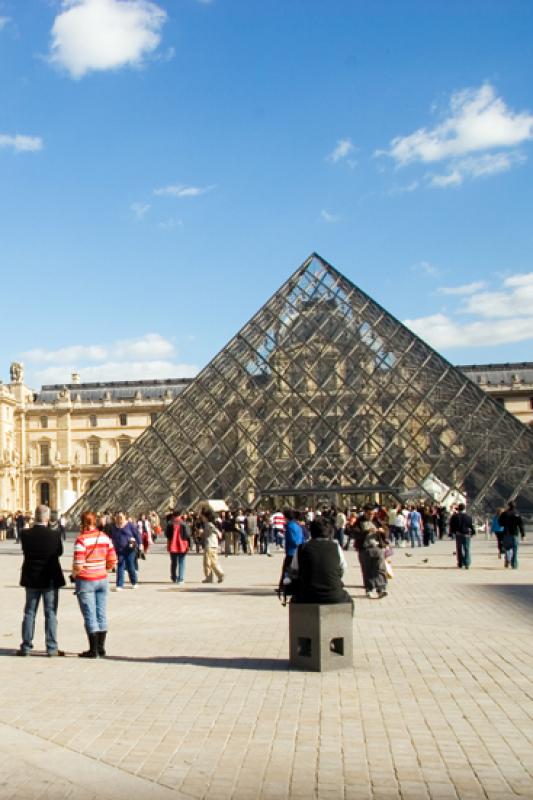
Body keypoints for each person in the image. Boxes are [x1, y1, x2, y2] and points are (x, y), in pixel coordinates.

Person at [17, 504, 66, 657]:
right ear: (47, 517)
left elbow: (25, 551)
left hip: (31, 578)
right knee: (50, 613)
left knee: (29, 613)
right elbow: (59, 552)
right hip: (50, 578)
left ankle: (25, 647)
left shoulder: (25, 534)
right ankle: (51, 648)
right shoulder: (55, 534)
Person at [72, 510, 117, 658]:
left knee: (90, 615)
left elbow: (78, 565)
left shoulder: (81, 540)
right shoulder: (105, 537)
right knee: (101, 613)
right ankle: (101, 648)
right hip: (102, 579)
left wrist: (73, 575)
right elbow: (113, 560)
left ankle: (93, 650)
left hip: (86, 581)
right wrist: (104, 569)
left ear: (83, 522)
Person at [290, 517, 352, 606]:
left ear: (311, 531)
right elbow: (343, 568)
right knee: (349, 601)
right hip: (333, 595)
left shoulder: (301, 548)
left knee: (294, 600)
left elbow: (294, 570)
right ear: (330, 532)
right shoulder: (335, 547)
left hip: (306, 595)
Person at [353, 504, 389, 599]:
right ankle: (369, 589)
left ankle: (381, 589)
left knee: (380, 569)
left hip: (377, 547)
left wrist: (383, 531)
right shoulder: (359, 522)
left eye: (373, 513)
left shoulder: (377, 520)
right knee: (367, 570)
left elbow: (386, 529)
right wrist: (366, 531)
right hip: (365, 549)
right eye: (369, 514)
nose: (371, 515)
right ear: (364, 512)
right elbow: (354, 533)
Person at [278, 509, 305, 598]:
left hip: (291, 551)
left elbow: (293, 539)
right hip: (297, 549)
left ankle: (285, 586)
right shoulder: (297, 525)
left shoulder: (290, 526)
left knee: (287, 569)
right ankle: (284, 586)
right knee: (291, 569)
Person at [110, 511, 141, 590]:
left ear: (124, 517)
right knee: (120, 566)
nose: (119, 518)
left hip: (130, 549)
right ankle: (119, 585)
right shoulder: (113, 526)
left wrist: (140, 544)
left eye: (120, 517)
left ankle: (134, 582)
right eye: (117, 517)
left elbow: (137, 534)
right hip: (119, 550)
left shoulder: (129, 525)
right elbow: (111, 537)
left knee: (130, 565)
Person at [165, 509, 190, 584]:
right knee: (181, 562)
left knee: (173, 562)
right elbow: (187, 534)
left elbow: (167, 534)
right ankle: (181, 579)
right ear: (180, 515)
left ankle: (173, 577)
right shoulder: (183, 523)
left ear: (173, 515)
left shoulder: (170, 523)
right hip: (182, 545)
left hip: (172, 545)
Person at [201, 508, 224, 583]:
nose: (202, 518)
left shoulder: (209, 524)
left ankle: (217, 575)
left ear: (206, 517)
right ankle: (215, 576)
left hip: (209, 545)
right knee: (213, 561)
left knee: (207, 562)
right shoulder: (210, 523)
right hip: (214, 545)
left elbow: (214, 529)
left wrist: (218, 533)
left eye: (202, 517)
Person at [499, 502, 525, 569]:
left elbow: (500, 523)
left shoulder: (504, 513)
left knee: (507, 548)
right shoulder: (517, 514)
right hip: (514, 534)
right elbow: (521, 525)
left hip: (506, 534)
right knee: (515, 550)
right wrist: (523, 534)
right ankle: (514, 564)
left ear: (508, 506)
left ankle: (507, 559)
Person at [449, 503, 475, 569]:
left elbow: (452, 525)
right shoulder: (468, 516)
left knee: (459, 549)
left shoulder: (454, 516)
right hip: (466, 534)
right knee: (467, 549)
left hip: (458, 534)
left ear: (458, 509)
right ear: (464, 508)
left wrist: (452, 532)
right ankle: (467, 563)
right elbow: (471, 525)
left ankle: (460, 562)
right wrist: (473, 532)